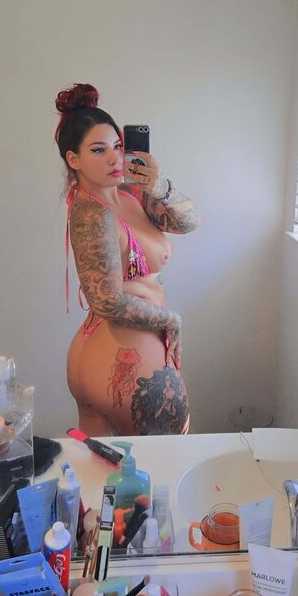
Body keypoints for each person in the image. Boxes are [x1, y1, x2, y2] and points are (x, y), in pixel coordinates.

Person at [54, 83, 200, 436]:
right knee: (164, 461)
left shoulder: (130, 195)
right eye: (98, 150)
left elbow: (188, 222)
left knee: (103, 465)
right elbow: (107, 301)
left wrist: (155, 183)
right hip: (124, 352)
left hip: (109, 351)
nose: (113, 159)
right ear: (74, 159)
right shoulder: (93, 213)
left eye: (117, 146)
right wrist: (171, 319)